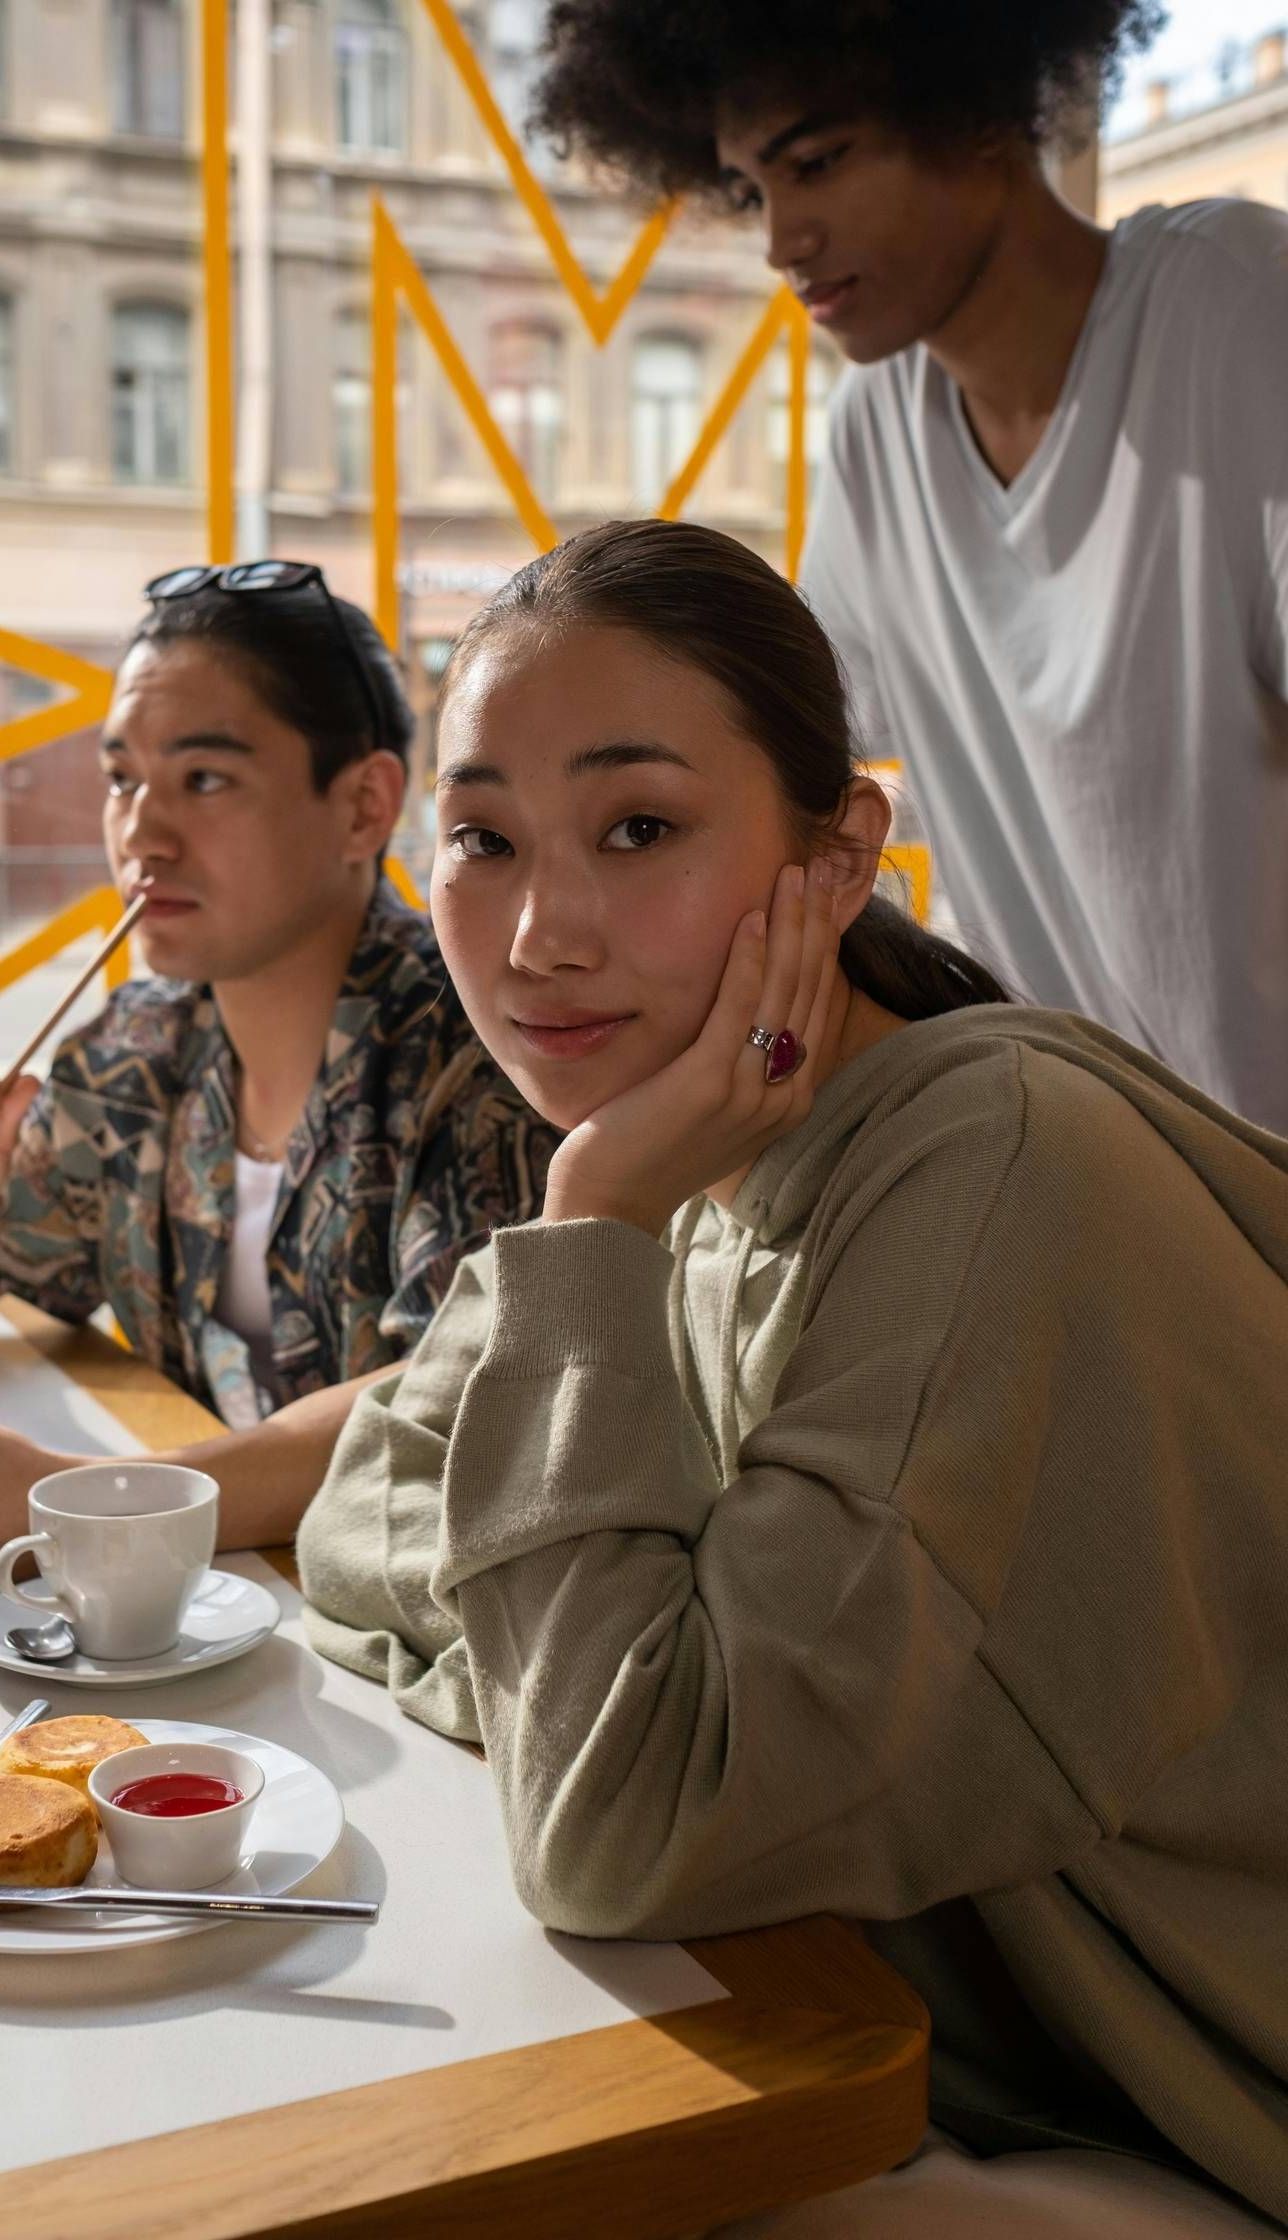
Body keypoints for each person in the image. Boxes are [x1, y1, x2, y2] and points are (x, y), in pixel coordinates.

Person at [298, 521, 1288, 2234]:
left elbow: (625, 1829)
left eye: (641, 829)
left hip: (1187, 2120)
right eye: (481, 840)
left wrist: (594, 1223)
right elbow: (359, 1508)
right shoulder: (702, 1143)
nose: (536, 933)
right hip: (952, 2052)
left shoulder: (978, 1165)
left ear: (839, 855)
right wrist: (600, 1653)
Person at [530, 0, 1288, 1133]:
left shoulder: (1236, 311)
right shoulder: (880, 434)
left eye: (818, 164)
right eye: (754, 185)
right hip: (1099, 1186)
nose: (781, 240)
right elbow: (788, 758)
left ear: (979, 102)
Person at [0, 561, 552, 1598]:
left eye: (205, 779)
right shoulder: (139, 1048)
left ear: (364, 806)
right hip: (223, 1615)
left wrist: (91, 1503)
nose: (140, 833)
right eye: (121, 778)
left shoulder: (485, 1049)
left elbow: (455, 1400)